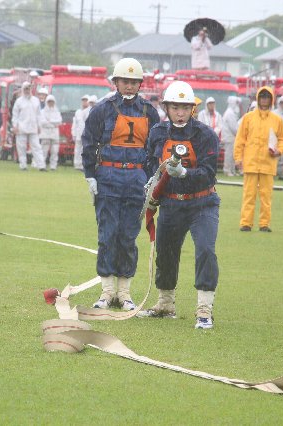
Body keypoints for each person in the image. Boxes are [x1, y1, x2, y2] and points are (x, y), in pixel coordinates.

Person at [137, 81, 220, 329]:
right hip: (172, 205)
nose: (180, 113)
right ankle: (165, 303)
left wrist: (184, 173)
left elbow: (209, 173)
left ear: (192, 108)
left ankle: (204, 308)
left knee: (205, 250)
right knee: (166, 252)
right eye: (175, 107)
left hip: (202, 203)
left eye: (185, 108)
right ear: (166, 108)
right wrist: (152, 181)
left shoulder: (205, 134)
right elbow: (149, 163)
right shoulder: (157, 133)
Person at [82, 57, 160, 310]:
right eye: (125, 81)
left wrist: (151, 178)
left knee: (128, 236)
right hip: (108, 178)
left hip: (136, 180)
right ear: (116, 82)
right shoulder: (102, 109)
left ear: (140, 84)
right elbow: (88, 142)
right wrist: (90, 175)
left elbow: (155, 148)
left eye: (134, 82)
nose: (129, 86)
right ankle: (106, 292)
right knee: (107, 235)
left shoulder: (150, 112)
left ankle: (124, 293)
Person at [234, 86, 283, 232]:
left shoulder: (277, 120)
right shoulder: (248, 118)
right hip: (251, 163)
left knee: (266, 196)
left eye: (267, 97)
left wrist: (279, 150)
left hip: (268, 163)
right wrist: (238, 158)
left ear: (271, 100)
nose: (264, 99)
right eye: (262, 96)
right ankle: (246, 223)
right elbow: (240, 140)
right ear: (258, 98)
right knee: (249, 195)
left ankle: (264, 224)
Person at [12, 81, 45, 171]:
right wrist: (15, 126)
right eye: (26, 88)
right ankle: (23, 165)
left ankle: (41, 166)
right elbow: (15, 115)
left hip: (33, 128)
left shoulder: (36, 100)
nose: (27, 90)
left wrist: (39, 126)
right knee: (21, 147)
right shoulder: (19, 101)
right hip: (21, 128)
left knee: (37, 147)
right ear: (23, 89)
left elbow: (39, 115)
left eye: (29, 88)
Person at [39, 94, 62, 170]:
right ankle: (42, 165)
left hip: (55, 134)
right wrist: (53, 124)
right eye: (49, 102)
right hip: (45, 134)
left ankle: (53, 166)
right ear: (46, 102)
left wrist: (50, 121)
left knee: (55, 151)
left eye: (52, 102)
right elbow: (42, 122)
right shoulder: (42, 112)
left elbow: (59, 122)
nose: (50, 103)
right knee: (44, 150)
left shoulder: (57, 112)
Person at [221, 95, 240, 176]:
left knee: (232, 155)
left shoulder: (230, 112)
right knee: (229, 155)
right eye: (236, 103)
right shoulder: (230, 113)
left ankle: (232, 170)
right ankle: (227, 170)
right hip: (229, 137)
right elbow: (234, 127)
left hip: (231, 137)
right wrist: (239, 134)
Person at [71, 94, 90, 170]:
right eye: (83, 101)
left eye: (86, 101)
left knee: (85, 150)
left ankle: (84, 165)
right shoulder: (78, 111)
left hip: (87, 134)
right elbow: (75, 123)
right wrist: (73, 134)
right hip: (78, 134)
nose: (84, 102)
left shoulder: (90, 111)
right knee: (77, 150)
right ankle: (77, 165)